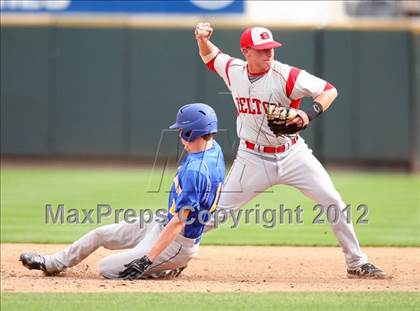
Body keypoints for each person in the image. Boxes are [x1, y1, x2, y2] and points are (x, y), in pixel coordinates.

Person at [194, 22, 389, 279]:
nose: (268, 53)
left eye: (271, 48)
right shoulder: (234, 70)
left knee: (333, 202)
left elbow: (329, 90)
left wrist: (309, 114)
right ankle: (169, 251)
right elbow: (210, 56)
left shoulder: (287, 75)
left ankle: (356, 262)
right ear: (246, 51)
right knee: (214, 215)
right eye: (261, 49)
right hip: (252, 157)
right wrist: (202, 38)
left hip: (292, 153)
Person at [19, 103, 225, 280]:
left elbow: (180, 221)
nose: (179, 134)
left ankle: (165, 267)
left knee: (107, 268)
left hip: (178, 243)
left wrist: (147, 259)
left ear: (190, 133)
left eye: (182, 130)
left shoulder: (196, 171)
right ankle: (53, 263)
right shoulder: (213, 149)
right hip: (162, 223)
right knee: (100, 234)